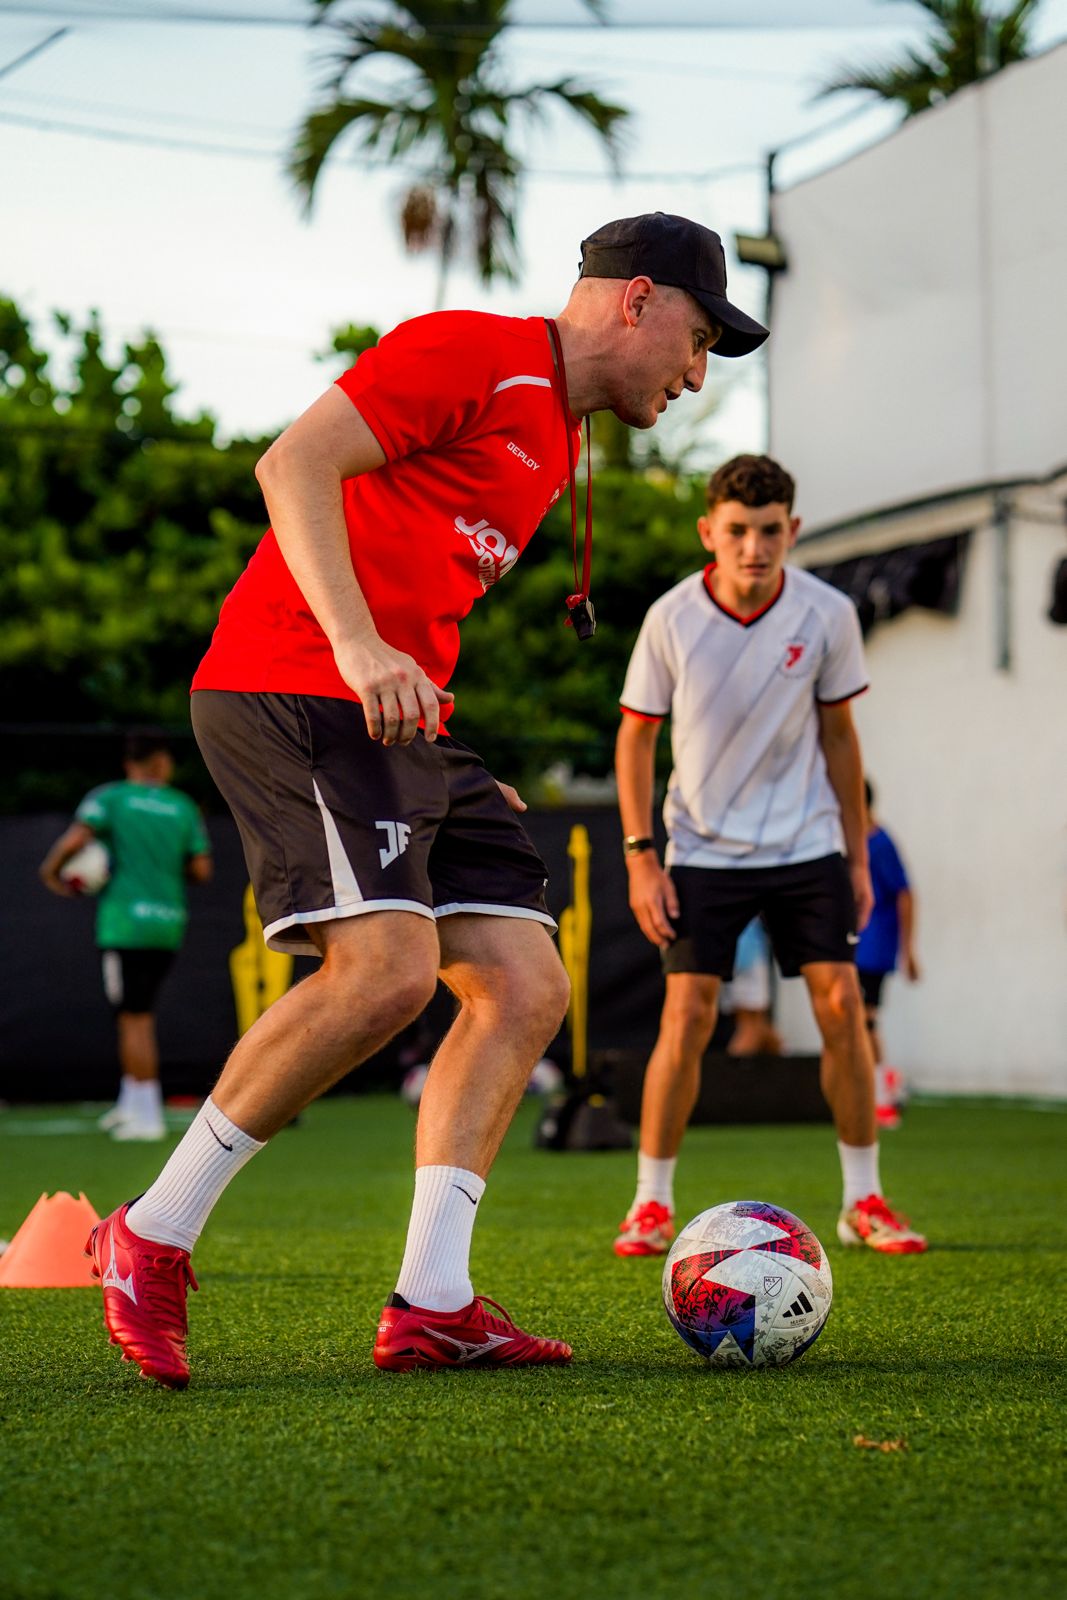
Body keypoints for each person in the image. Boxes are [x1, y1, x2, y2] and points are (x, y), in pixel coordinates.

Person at [85, 212, 769, 1387]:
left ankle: (433, 1302)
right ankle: (149, 1232)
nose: (696, 375)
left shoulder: (554, 441)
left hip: (399, 721)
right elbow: (290, 464)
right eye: (699, 340)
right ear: (637, 300)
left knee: (523, 983)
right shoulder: (473, 350)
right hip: (294, 683)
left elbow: (416, 579)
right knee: (387, 973)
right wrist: (358, 650)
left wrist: (439, 746)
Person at [613, 453, 927, 1260]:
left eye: (768, 531)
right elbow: (636, 737)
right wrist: (641, 856)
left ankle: (862, 1200)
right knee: (686, 1014)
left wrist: (856, 859)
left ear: (792, 530)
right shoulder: (670, 618)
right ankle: (649, 1204)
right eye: (736, 531)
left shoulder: (827, 613)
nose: (752, 547)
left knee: (841, 1006)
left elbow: (839, 736)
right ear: (707, 533)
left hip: (806, 842)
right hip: (701, 848)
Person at [39, 732, 213, 1141]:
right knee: (135, 1012)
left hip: (126, 923)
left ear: (130, 762)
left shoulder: (111, 798)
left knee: (135, 1018)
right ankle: (130, 1103)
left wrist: (51, 872)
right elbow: (201, 870)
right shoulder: (182, 806)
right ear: (160, 762)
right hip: (168, 921)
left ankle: (147, 1116)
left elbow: (77, 839)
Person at [856, 778, 920, 1130]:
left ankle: (881, 1095)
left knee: (866, 1020)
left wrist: (907, 950)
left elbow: (905, 894)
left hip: (874, 945)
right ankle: (885, 1081)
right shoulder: (846, 842)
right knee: (856, 1021)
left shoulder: (880, 843)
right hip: (852, 945)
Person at [720, 917, 782, 1057]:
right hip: (744, 958)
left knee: (758, 1025)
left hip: (747, 955)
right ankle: (733, 1071)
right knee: (750, 1026)